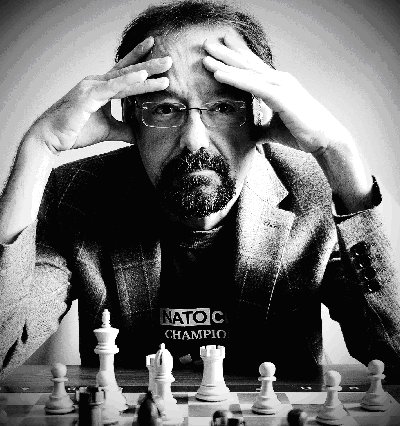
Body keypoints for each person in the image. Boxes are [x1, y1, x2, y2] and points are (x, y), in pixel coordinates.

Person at [0, 0, 399, 380]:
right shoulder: (76, 194)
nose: (194, 140)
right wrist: (40, 146)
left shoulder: (315, 193)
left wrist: (338, 152)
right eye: (164, 108)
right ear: (130, 117)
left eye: (224, 107)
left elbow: (394, 354)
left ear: (261, 112)